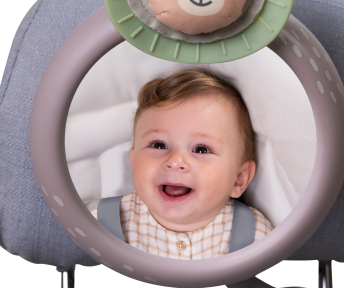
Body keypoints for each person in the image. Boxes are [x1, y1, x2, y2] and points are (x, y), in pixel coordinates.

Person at [94, 69, 272, 259]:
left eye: (201, 149)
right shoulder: (99, 224)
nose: (175, 161)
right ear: (133, 161)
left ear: (239, 179)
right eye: (159, 145)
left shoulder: (254, 236)